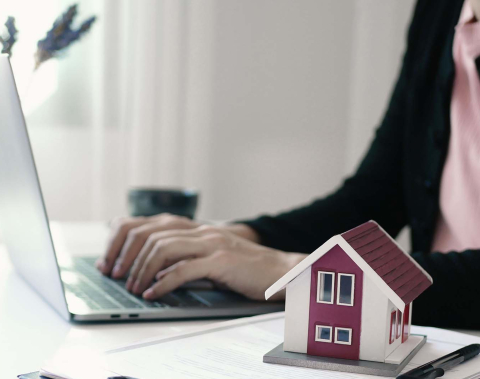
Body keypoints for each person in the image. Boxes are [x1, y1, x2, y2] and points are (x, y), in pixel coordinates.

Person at [96, 0, 480, 329]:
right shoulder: (441, 9)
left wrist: (302, 273)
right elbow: (376, 197)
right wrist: (234, 240)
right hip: (441, 338)